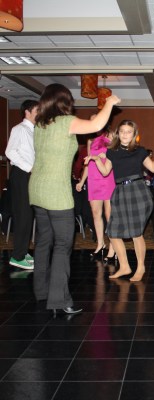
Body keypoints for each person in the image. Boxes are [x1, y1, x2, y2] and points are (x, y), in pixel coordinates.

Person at [28, 83, 120, 315]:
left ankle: (41, 292)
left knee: (43, 242)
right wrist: (109, 102)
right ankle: (59, 301)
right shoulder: (65, 121)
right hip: (56, 192)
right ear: (65, 101)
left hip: (37, 189)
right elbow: (97, 125)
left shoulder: (39, 124)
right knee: (62, 245)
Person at [85, 119, 154, 282]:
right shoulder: (111, 152)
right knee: (112, 232)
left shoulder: (140, 151)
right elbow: (105, 172)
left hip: (137, 191)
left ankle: (140, 267)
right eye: (122, 131)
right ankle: (124, 266)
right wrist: (97, 160)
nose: (125, 134)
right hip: (119, 192)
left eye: (128, 132)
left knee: (136, 233)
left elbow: (153, 168)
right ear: (117, 134)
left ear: (134, 134)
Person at [5, 99, 39, 270]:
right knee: (22, 215)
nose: (39, 113)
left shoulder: (34, 130)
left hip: (29, 175)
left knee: (28, 214)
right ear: (27, 112)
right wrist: (29, 168)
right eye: (37, 110)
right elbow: (10, 151)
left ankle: (23, 251)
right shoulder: (19, 129)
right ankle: (17, 256)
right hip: (21, 175)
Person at [76, 119, 116, 262]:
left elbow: (115, 155)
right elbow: (88, 162)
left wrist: (107, 155)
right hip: (93, 179)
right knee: (95, 213)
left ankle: (113, 247)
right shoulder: (90, 140)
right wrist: (82, 180)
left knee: (109, 214)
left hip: (107, 177)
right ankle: (100, 244)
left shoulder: (111, 135)